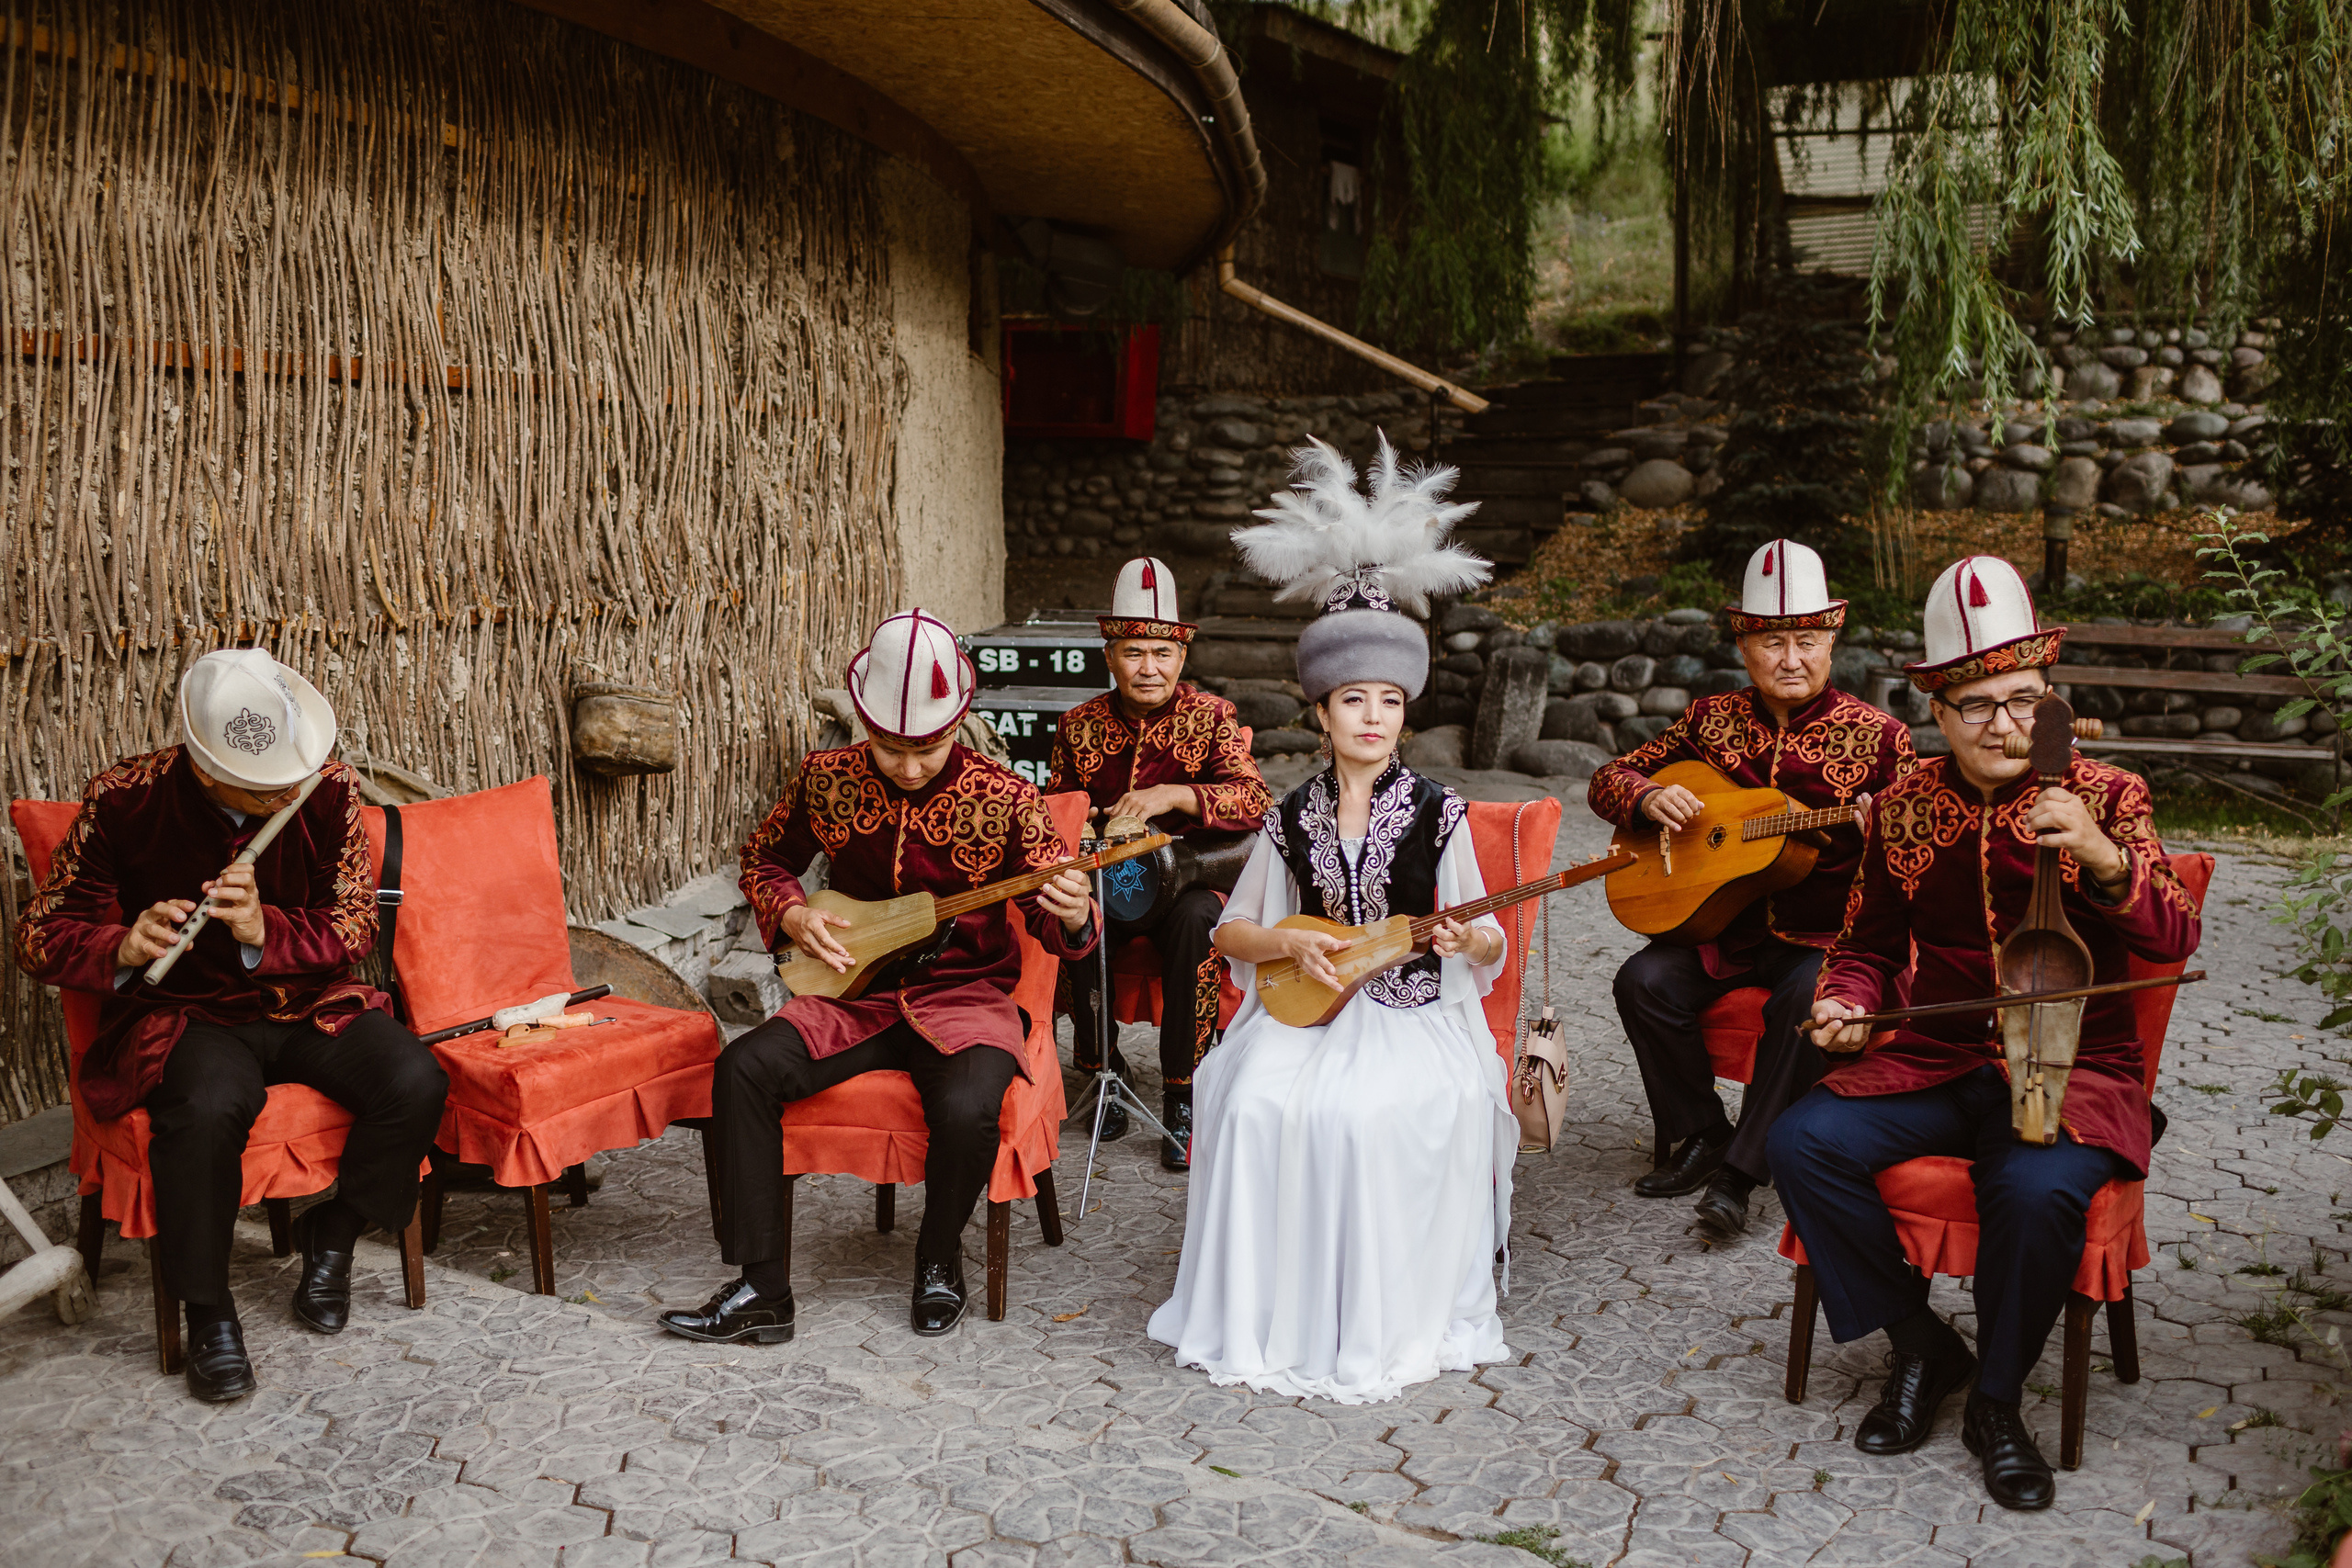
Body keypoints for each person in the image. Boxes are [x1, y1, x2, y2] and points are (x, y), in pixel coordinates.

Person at [1769, 556, 2201, 1511]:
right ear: (1938, 713)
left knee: (2034, 1182)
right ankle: (1925, 1348)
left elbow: (2173, 937)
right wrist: (1845, 1002)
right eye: (1976, 706)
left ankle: (1996, 1405)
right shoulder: (1905, 808)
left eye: (2023, 702)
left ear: (2051, 705)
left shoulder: (2111, 795)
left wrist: (2094, 850)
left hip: (2075, 1068)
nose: (2003, 726)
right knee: (1797, 1141)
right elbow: (1866, 946)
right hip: (1937, 1056)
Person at [1148, 435, 1517, 1404]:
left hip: (1409, 1013)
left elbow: (1489, 939)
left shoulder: (1439, 815)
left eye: (1389, 701)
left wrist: (1467, 936)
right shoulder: (1291, 814)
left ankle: (1372, 1319)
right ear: (1319, 712)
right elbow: (1231, 934)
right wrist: (1289, 940)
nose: (1371, 718)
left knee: (1363, 1118)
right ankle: (1268, 1313)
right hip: (1306, 1007)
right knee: (1255, 1098)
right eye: (1353, 699)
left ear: (1405, 713)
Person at [15, 649, 448, 1403]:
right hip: (186, 1017)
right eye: (266, 786)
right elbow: (39, 934)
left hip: (305, 1004)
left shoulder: (327, 785)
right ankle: (208, 1308)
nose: (289, 788)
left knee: (415, 1078)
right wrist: (118, 943)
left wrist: (264, 929)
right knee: (209, 1109)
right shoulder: (125, 799)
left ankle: (336, 1232)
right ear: (206, 770)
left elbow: (353, 929)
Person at [659, 609, 1098, 1344]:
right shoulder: (826, 780)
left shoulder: (1006, 800)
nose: (911, 765)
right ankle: (764, 1288)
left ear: (959, 720)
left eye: (929, 746)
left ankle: (936, 1258)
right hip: (855, 996)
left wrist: (1078, 913)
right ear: (863, 720)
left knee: (966, 1106)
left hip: (966, 997)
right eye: (892, 747)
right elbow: (765, 860)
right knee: (742, 1067)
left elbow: (1062, 930)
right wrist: (795, 915)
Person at [1588, 539, 1917, 1238]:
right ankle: (1702, 1132)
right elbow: (1609, 777)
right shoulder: (1711, 720)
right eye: (1772, 641)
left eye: (1805, 639)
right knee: (1643, 978)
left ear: (1832, 639)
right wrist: (1647, 799)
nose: (1790, 658)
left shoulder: (1883, 739)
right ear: (1745, 645)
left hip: (1826, 935)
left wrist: (1884, 830)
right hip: (1725, 928)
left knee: (1807, 994)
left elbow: (1923, 852)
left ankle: (1741, 1170)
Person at [1047, 557, 1272, 1168]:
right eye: (1134, 653)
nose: (1150, 668)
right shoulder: (1079, 726)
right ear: (1110, 656)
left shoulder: (1211, 718)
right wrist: (1087, 818)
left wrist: (1176, 796)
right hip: (1109, 878)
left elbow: (1257, 799)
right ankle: (1102, 1072)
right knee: (1078, 917)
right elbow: (1054, 808)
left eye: (1162, 655)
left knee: (1199, 922)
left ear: (1181, 657)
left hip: (1184, 882)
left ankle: (1184, 1093)